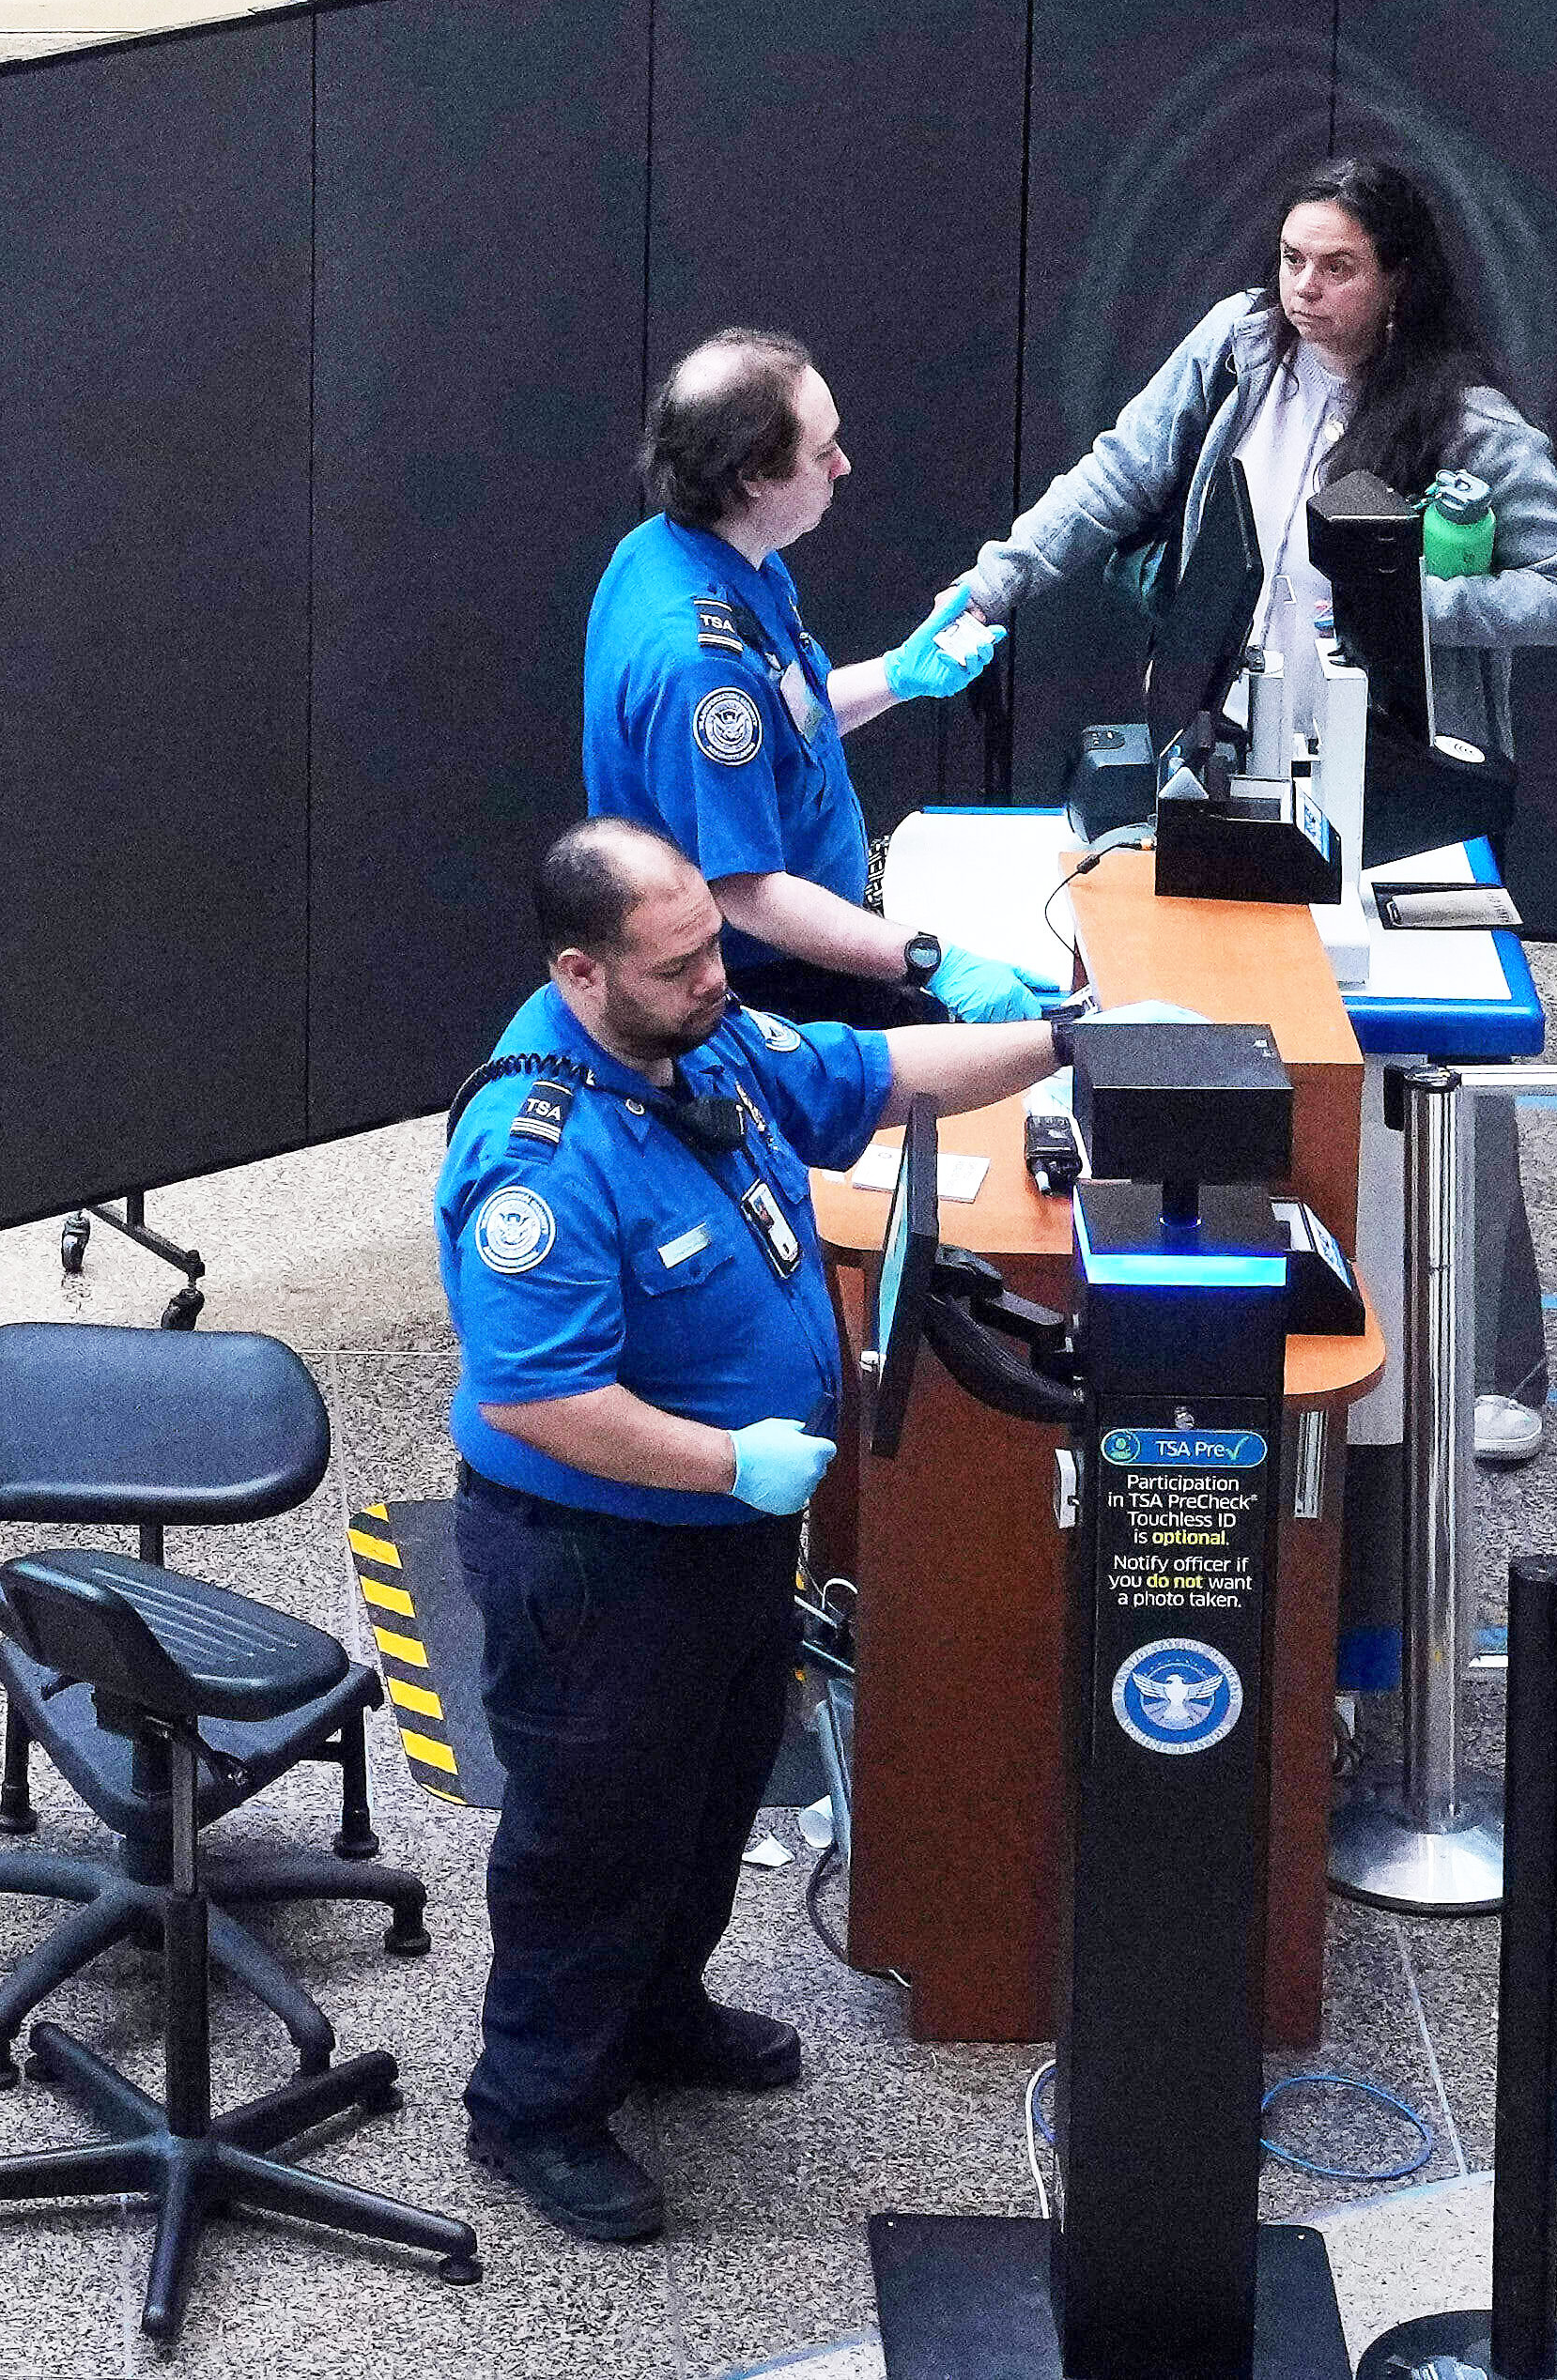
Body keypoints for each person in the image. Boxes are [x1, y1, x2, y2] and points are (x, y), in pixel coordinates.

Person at [436, 822, 1067, 2244]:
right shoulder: (539, 1153)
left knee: (712, 1791)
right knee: (587, 1839)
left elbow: (876, 1074)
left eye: (713, 945)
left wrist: (1057, 1042)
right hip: (593, 1560)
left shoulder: (696, 1040)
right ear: (580, 971)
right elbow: (535, 1396)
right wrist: (730, 1459)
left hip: (718, 1539)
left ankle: (656, 2016)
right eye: (680, 962)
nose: (716, 974)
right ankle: (531, 2107)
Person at [932, 163, 1557, 1457]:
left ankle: (1498, 1361)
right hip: (1237, 742)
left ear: (1395, 278)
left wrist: (1412, 605)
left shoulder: (1462, 423)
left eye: (1336, 266)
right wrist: (1000, 580)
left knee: (1443, 1053)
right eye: (1290, 260)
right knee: (1226, 1010)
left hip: (1401, 775)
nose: (1303, 289)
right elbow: (1116, 471)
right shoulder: (1236, 350)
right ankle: (1241, 1283)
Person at [586, 338, 1062, 1025]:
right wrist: (930, 958)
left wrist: (898, 675)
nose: (844, 464)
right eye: (822, 451)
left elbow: (784, 728)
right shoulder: (696, 665)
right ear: (753, 474)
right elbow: (745, 890)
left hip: (818, 926)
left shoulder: (699, 550)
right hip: (767, 979)